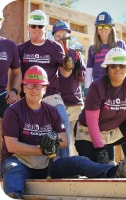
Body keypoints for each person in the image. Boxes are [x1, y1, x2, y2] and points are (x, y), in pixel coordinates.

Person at [1, 65, 126, 199]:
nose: (34, 90)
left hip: (47, 165)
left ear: (45, 89)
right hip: (20, 162)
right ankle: (14, 196)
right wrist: (41, 149)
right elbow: (12, 146)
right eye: (30, 86)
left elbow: (64, 141)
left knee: (80, 162)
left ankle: (115, 171)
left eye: (39, 87)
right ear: (24, 88)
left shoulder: (52, 111)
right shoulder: (13, 112)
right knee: (11, 169)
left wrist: (53, 139)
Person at [17, 10, 70, 157]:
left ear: (45, 28)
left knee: (63, 122)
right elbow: (14, 74)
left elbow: (65, 73)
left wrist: (69, 65)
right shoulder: (20, 49)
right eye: (33, 26)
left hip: (50, 94)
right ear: (28, 27)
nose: (36, 29)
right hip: (28, 96)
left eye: (40, 26)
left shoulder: (55, 47)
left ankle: (65, 163)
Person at [84, 11, 126, 163]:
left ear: (111, 28)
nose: (103, 29)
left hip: (117, 88)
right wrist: (87, 90)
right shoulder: (92, 49)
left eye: (106, 26)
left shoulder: (119, 44)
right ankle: (108, 161)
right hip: (98, 91)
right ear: (96, 28)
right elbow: (88, 71)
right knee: (103, 125)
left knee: (122, 123)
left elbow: (125, 66)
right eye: (100, 26)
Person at [52, 20, 86, 156]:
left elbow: (83, 78)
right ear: (53, 37)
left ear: (69, 36)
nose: (61, 38)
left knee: (75, 139)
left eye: (64, 35)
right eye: (58, 35)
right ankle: (65, 167)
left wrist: (77, 68)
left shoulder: (75, 54)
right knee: (63, 138)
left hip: (75, 103)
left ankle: (77, 167)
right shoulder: (51, 55)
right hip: (57, 102)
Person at [0, 11, 22, 119]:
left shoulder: (9, 45)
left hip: (1, 95)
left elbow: (17, 72)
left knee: (17, 118)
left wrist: (14, 91)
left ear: (2, 21)